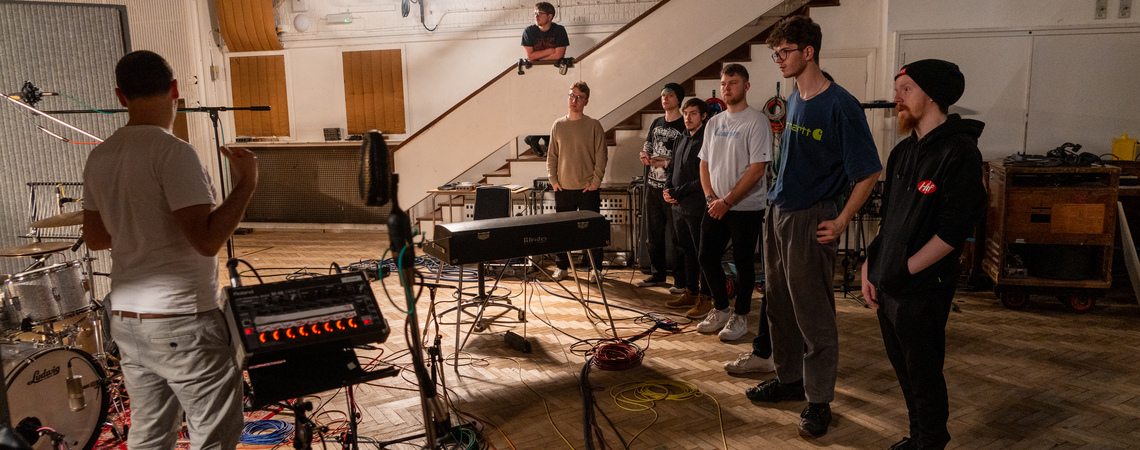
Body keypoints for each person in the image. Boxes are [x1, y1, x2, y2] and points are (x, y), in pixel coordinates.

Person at [83, 50, 258, 449]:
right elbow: (207, 240)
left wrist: (140, 228)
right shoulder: (174, 152)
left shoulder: (100, 155)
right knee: (212, 434)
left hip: (127, 318)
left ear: (120, 96)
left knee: (149, 433)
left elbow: (95, 238)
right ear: (175, 89)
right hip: (182, 319)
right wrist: (246, 184)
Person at [748, 15, 883, 439]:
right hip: (779, 212)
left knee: (814, 315)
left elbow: (869, 172)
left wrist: (842, 219)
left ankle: (819, 400)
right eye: (776, 54)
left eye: (784, 52)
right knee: (779, 306)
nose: (779, 60)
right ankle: (790, 381)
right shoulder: (796, 97)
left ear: (809, 52)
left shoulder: (841, 104)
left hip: (811, 218)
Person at [863, 59, 985, 450]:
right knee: (904, 370)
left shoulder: (959, 152)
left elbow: (953, 232)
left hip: (923, 288)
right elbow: (888, 218)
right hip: (890, 284)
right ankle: (919, 437)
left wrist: (903, 269)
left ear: (932, 96)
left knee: (924, 371)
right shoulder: (902, 152)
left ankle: (931, 441)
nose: (896, 98)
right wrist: (871, 264)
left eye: (907, 90)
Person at [695, 64, 771, 346]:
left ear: (746, 87)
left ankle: (740, 315)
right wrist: (710, 198)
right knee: (706, 256)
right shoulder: (714, 123)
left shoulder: (757, 121)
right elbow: (703, 163)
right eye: (724, 83)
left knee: (743, 263)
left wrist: (727, 201)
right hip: (714, 204)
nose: (727, 88)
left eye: (733, 83)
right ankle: (721, 307)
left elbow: (757, 169)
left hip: (745, 208)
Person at [546, 81, 608, 283]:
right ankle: (562, 267)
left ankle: (595, 268)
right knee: (562, 231)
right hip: (563, 187)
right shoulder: (558, 125)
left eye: (579, 97)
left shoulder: (593, 125)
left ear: (586, 101)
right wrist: (553, 179)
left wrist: (596, 181)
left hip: (587, 188)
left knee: (591, 231)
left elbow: (601, 155)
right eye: (571, 95)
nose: (574, 100)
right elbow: (552, 155)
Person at [663, 98, 712, 318]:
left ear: (703, 116)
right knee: (686, 252)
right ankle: (691, 292)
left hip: (697, 206)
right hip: (678, 207)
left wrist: (678, 191)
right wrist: (666, 188)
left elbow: (705, 178)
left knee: (703, 254)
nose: (688, 117)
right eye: (685, 113)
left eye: (693, 113)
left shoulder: (707, 139)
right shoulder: (681, 137)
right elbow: (672, 168)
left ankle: (707, 298)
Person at [637, 83, 687, 292]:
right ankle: (657, 275)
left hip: (672, 188)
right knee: (653, 234)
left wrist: (664, 162)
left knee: (677, 237)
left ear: (679, 99)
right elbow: (647, 145)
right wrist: (644, 155)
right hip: (652, 187)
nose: (665, 98)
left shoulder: (683, 125)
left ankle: (680, 280)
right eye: (663, 95)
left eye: (670, 95)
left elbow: (685, 157)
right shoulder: (656, 122)